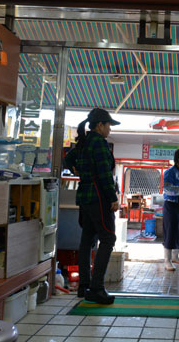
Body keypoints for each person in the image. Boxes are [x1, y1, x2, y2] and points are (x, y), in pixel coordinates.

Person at [74, 108, 120, 304]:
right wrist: (113, 198)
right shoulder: (99, 143)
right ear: (100, 125)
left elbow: (69, 159)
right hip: (99, 197)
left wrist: (78, 170)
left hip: (84, 196)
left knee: (87, 241)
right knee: (108, 238)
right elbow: (104, 175)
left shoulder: (83, 142)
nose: (110, 129)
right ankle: (97, 288)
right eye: (108, 125)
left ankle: (83, 285)